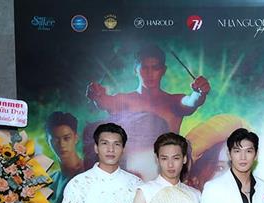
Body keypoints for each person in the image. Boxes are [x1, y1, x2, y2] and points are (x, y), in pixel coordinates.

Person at [86, 45, 211, 180]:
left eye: (155, 68)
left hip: (167, 176)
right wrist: (97, 94)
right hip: (130, 176)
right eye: (145, 68)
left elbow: (192, 101)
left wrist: (200, 92)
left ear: (163, 70)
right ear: (135, 69)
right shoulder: (124, 100)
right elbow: (104, 102)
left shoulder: (174, 102)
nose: (150, 73)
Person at [39, 112, 85, 203]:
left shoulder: (89, 172)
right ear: (48, 141)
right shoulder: (51, 180)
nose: (61, 144)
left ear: (76, 138)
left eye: (67, 138)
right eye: (55, 139)